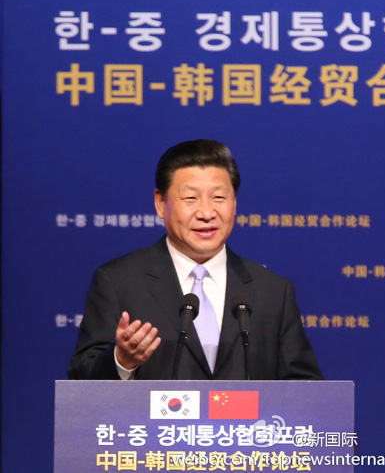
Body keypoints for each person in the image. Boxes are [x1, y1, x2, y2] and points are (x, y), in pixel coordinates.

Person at [68, 139, 323, 380]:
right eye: (190, 198)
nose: (206, 213)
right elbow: (81, 378)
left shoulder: (273, 291)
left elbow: (304, 387)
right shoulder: (119, 282)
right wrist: (122, 361)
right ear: (160, 203)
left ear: (234, 203)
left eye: (219, 198)